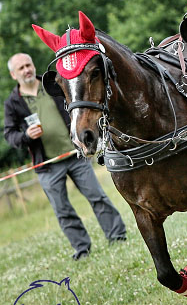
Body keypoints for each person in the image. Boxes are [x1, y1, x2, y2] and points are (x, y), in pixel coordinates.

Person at [4, 53, 126, 260]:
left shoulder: (54, 85)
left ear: (33, 65)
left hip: (74, 153)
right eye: (21, 68)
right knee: (63, 210)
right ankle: (82, 249)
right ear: (13, 74)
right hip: (47, 165)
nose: (27, 70)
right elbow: (9, 134)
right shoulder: (13, 103)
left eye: (28, 64)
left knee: (97, 196)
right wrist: (25, 136)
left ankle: (117, 236)